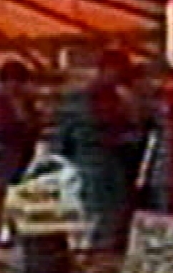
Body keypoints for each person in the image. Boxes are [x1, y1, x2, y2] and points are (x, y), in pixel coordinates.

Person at [60, 49, 149, 252]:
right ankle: (98, 250)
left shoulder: (94, 93)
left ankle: (97, 247)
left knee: (104, 207)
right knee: (104, 208)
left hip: (100, 156)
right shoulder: (100, 94)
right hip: (99, 156)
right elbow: (109, 122)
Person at [0, 60, 40, 250]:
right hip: (1, 148)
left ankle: (8, 231)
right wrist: (23, 126)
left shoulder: (18, 98)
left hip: (14, 149)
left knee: (8, 193)